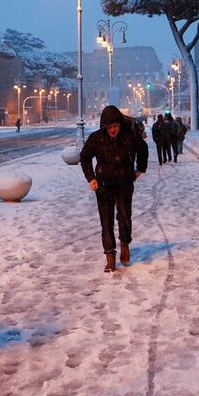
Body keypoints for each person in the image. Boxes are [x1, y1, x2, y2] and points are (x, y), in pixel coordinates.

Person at [79, 105, 149, 273]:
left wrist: (140, 169)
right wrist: (91, 178)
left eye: (115, 126)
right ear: (104, 126)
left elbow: (143, 150)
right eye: (109, 127)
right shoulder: (96, 138)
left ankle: (125, 243)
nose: (113, 130)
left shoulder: (129, 136)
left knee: (125, 217)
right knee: (106, 221)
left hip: (124, 183)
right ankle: (110, 256)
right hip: (103, 186)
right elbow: (85, 157)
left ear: (120, 124)